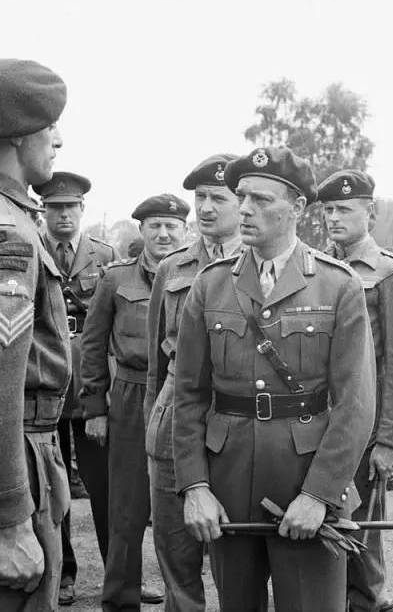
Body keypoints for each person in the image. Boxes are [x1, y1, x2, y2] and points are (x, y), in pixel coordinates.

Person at [172, 146, 376, 612]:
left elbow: (356, 403)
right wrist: (195, 486)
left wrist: (319, 494)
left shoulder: (338, 285)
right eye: (242, 196)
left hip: (305, 477)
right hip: (227, 484)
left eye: (261, 200)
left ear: (298, 207)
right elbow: (188, 396)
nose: (245, 209)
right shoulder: (210, 284)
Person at [318, 169, 393, 612]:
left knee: (360, 526)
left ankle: (370, 600)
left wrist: (389, 440)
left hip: (364, 425)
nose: (333, 218)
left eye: (344, 209)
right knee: (320, 519)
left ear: (370, 213)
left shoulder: (389, 273)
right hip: (316, 419)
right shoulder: (316, 265)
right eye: (328, 210)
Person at [80, 194, 189, 611]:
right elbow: (92, 344)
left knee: (183, 500)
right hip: (130, 393)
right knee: (126, 505)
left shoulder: (200, 274)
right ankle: (121, 599)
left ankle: (185, 596)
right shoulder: (115, 278)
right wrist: (95, 408)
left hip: (181, 393)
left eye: (171, 226)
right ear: (141, 230)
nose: (163, 234)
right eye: (154, 226)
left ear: (185, 231)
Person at [145, 154, 242, 611]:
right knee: (177, 554)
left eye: (217, 198)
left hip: (235, 421)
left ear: (242, 203)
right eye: (200, 197)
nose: (205, 208)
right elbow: (155, 363)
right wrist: (151, 427)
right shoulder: (173, 269)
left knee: (236, 557)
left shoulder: (260, 266)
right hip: (173, 421)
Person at [0, 58, 71, 610]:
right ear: (21, 136)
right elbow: (2, 381)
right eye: (49, 129)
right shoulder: (11, 231)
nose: (57, 141)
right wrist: (11, 518)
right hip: (18, 445)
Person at [36, 171, 116, 606]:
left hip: (90, 382)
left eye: (70, 207)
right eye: (54, 208)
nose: (63, 215)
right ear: (43, 211)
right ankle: (63, 573)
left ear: (82, 209)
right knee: (52, 486)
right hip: (45, 378)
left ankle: (118, 574)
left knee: (103, 485)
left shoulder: (104, 255)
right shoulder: (31, 248)